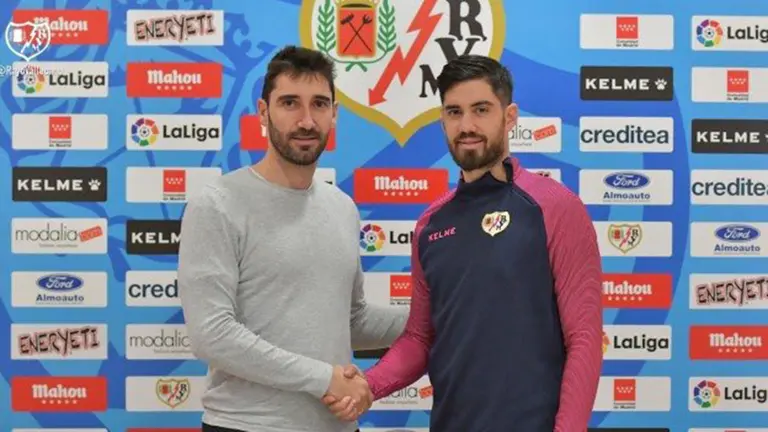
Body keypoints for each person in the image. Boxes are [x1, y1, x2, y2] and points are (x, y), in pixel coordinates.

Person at [324, 54, 604, 430]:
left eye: (481, 109)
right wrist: (368, 386)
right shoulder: (430, 225)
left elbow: (584, 339)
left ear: (509, 116)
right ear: (443, 122)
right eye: (454, 112)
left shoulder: (554, 206)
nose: (467, 125)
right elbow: (420, 338)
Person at [177, 45, 408, 432]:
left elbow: (350, 321)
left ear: (334, 114)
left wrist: (443, 317)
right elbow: (211, 335)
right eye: (289, 103)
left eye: (319, 104)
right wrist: (324, 378)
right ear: (264, 111)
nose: (306, 120)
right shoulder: (217, 204)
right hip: (246, 426)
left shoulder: (342, 208)